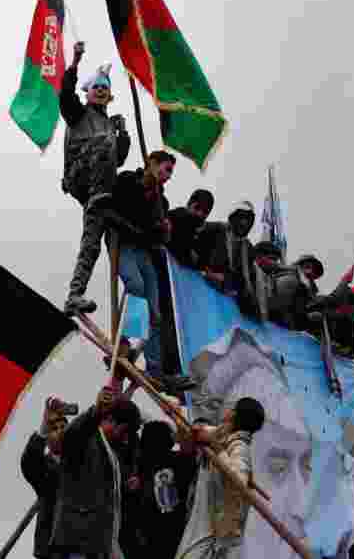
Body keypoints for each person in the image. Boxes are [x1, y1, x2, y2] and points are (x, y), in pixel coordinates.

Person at [110, 150, 194, 394]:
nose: (168, 176)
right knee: (135, 287)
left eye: (171, 172)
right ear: (151, 163)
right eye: (166, 169)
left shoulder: (162, 202)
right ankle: (125, 342)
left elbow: (159, 237)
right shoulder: (128, 181)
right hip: (124, 245)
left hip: (144, 251)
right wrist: (140, 221)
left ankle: (155, 368)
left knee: (155, 313)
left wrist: (164, 229)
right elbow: (113, 210)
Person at [60, 41, 131, 316]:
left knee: (91, 242)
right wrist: (75, 62)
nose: (101, 91)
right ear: (88, 93)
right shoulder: (79, 113)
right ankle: (101, 201)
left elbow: (119, 160)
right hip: (82, 176)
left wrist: (122, 134)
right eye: (96, 87)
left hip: (100, 190)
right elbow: (65, 95)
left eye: (105, 88)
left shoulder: (108, 124)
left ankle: (74, 294)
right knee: (103, 143)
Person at [49, 386, 143, 559]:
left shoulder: (112, 453)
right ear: (110, 421)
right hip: (78, 544)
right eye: (124, 431)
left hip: (101, 545)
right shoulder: (86, 440)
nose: (125, 438)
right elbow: (72, 434)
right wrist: (97, 410)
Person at [187, 397, 266, 559]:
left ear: (235, 415)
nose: (228, 411)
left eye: (233, 409)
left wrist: (216, 447)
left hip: (216, 531)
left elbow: (238, 481)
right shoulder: (224, 435)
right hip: (206, 520)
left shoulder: (239, 447)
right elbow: (201, 430)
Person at [126, 420, 199, 559]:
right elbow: (189, 451)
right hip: (171, 531)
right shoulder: (177, 461)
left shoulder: (141, 463)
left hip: (146, 532)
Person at [22, 397, 72, 559]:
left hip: (87, 545)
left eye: (64, 427)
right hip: (54, 549)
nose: (60, 431)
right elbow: (30, 461)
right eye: (54, 428)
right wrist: (44, 426)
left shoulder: (86, 460)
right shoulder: (44, 468)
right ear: (48, 439)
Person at [196, 201, 257, 299]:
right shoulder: (213, 230)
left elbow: (244, 281)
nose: (244, 223)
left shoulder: (249, 249)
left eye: (248, 219)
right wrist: (206, 273)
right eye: (241, 217)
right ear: (232, 218)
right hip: (198, 285)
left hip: (224, 299)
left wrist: (225, 279)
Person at [166, 189, 215, 268]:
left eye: (205, 212)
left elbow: (202, 263)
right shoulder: (173, 217)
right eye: (197, 208)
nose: (200, 214)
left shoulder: (206, 234)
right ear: (189, 204)